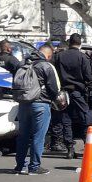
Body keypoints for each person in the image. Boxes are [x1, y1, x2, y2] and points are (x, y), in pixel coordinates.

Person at [13, 43, 61, 175]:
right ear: (48, 55)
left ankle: (20, 166)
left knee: (23, 136)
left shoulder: (22, 64)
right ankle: (34, 167)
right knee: (38, 136)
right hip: (41, 104)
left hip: (23, 104)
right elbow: (53, 88)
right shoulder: (46, 66)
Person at [51, 33, 92, 159]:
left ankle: (69, 148)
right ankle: (88, 144)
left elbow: (52, 72)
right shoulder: (82, 57)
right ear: (80, 43)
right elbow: (88, 77)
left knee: (66, 119)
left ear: (69, 42)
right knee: (85, 116)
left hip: (63, 92)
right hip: (77, 92)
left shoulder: (58, 56)